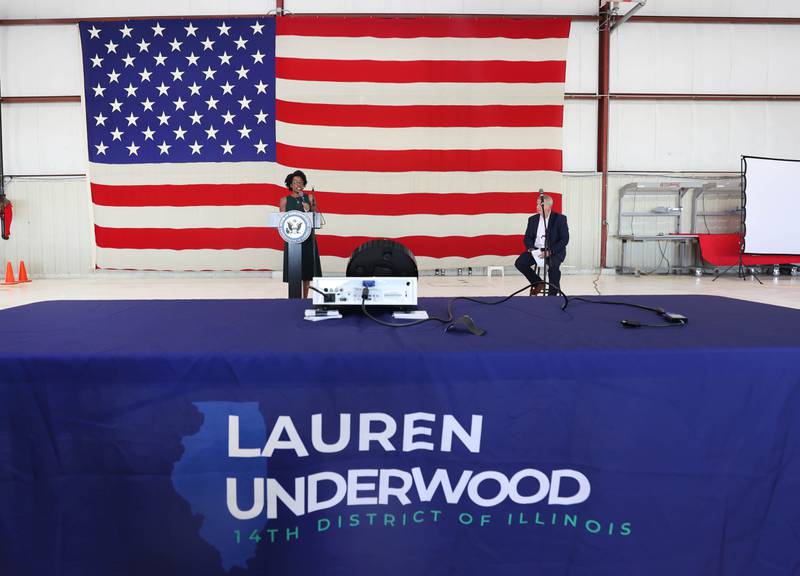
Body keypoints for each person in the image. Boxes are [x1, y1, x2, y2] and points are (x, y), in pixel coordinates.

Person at [514, 195, 569, 296]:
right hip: (536, 250)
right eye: (537, 204)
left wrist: (550, 251)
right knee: (520, 263)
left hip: (553, 251)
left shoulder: (560, 219)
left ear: (549, 206)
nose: (537, 206)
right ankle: (538, 283)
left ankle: (552, 296)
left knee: (553, 268)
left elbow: (564, 239)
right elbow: (527, 237)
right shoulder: (532, 219)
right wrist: (531, 249)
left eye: (540, 204)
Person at [280, 170, 322, 298]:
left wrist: (309, 209)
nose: (298, 184)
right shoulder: (284, 200)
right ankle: (294, 297)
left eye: (301, 182)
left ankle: (305, 298)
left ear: (304, 184)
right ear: (290, 185)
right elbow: (281, 220)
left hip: (307, 238)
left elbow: (316, 216)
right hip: (292, 239)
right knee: (295, 269)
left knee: (306, 269)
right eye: (295, 182)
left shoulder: (309, 198)